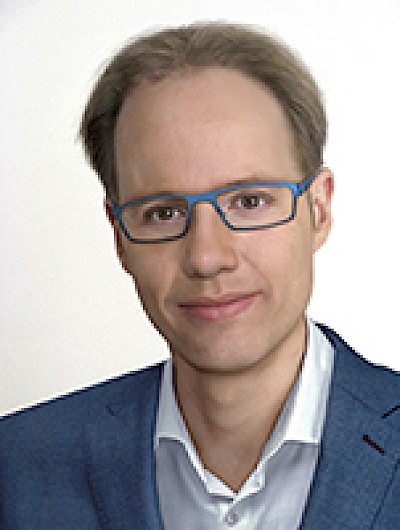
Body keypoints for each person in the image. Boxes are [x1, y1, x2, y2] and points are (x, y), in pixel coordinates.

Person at [0, 22, 399, 530]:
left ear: (317, 211)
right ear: (120, 237)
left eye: (249, 201)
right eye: (163, 213)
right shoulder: (15, 469)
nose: (207, 257)